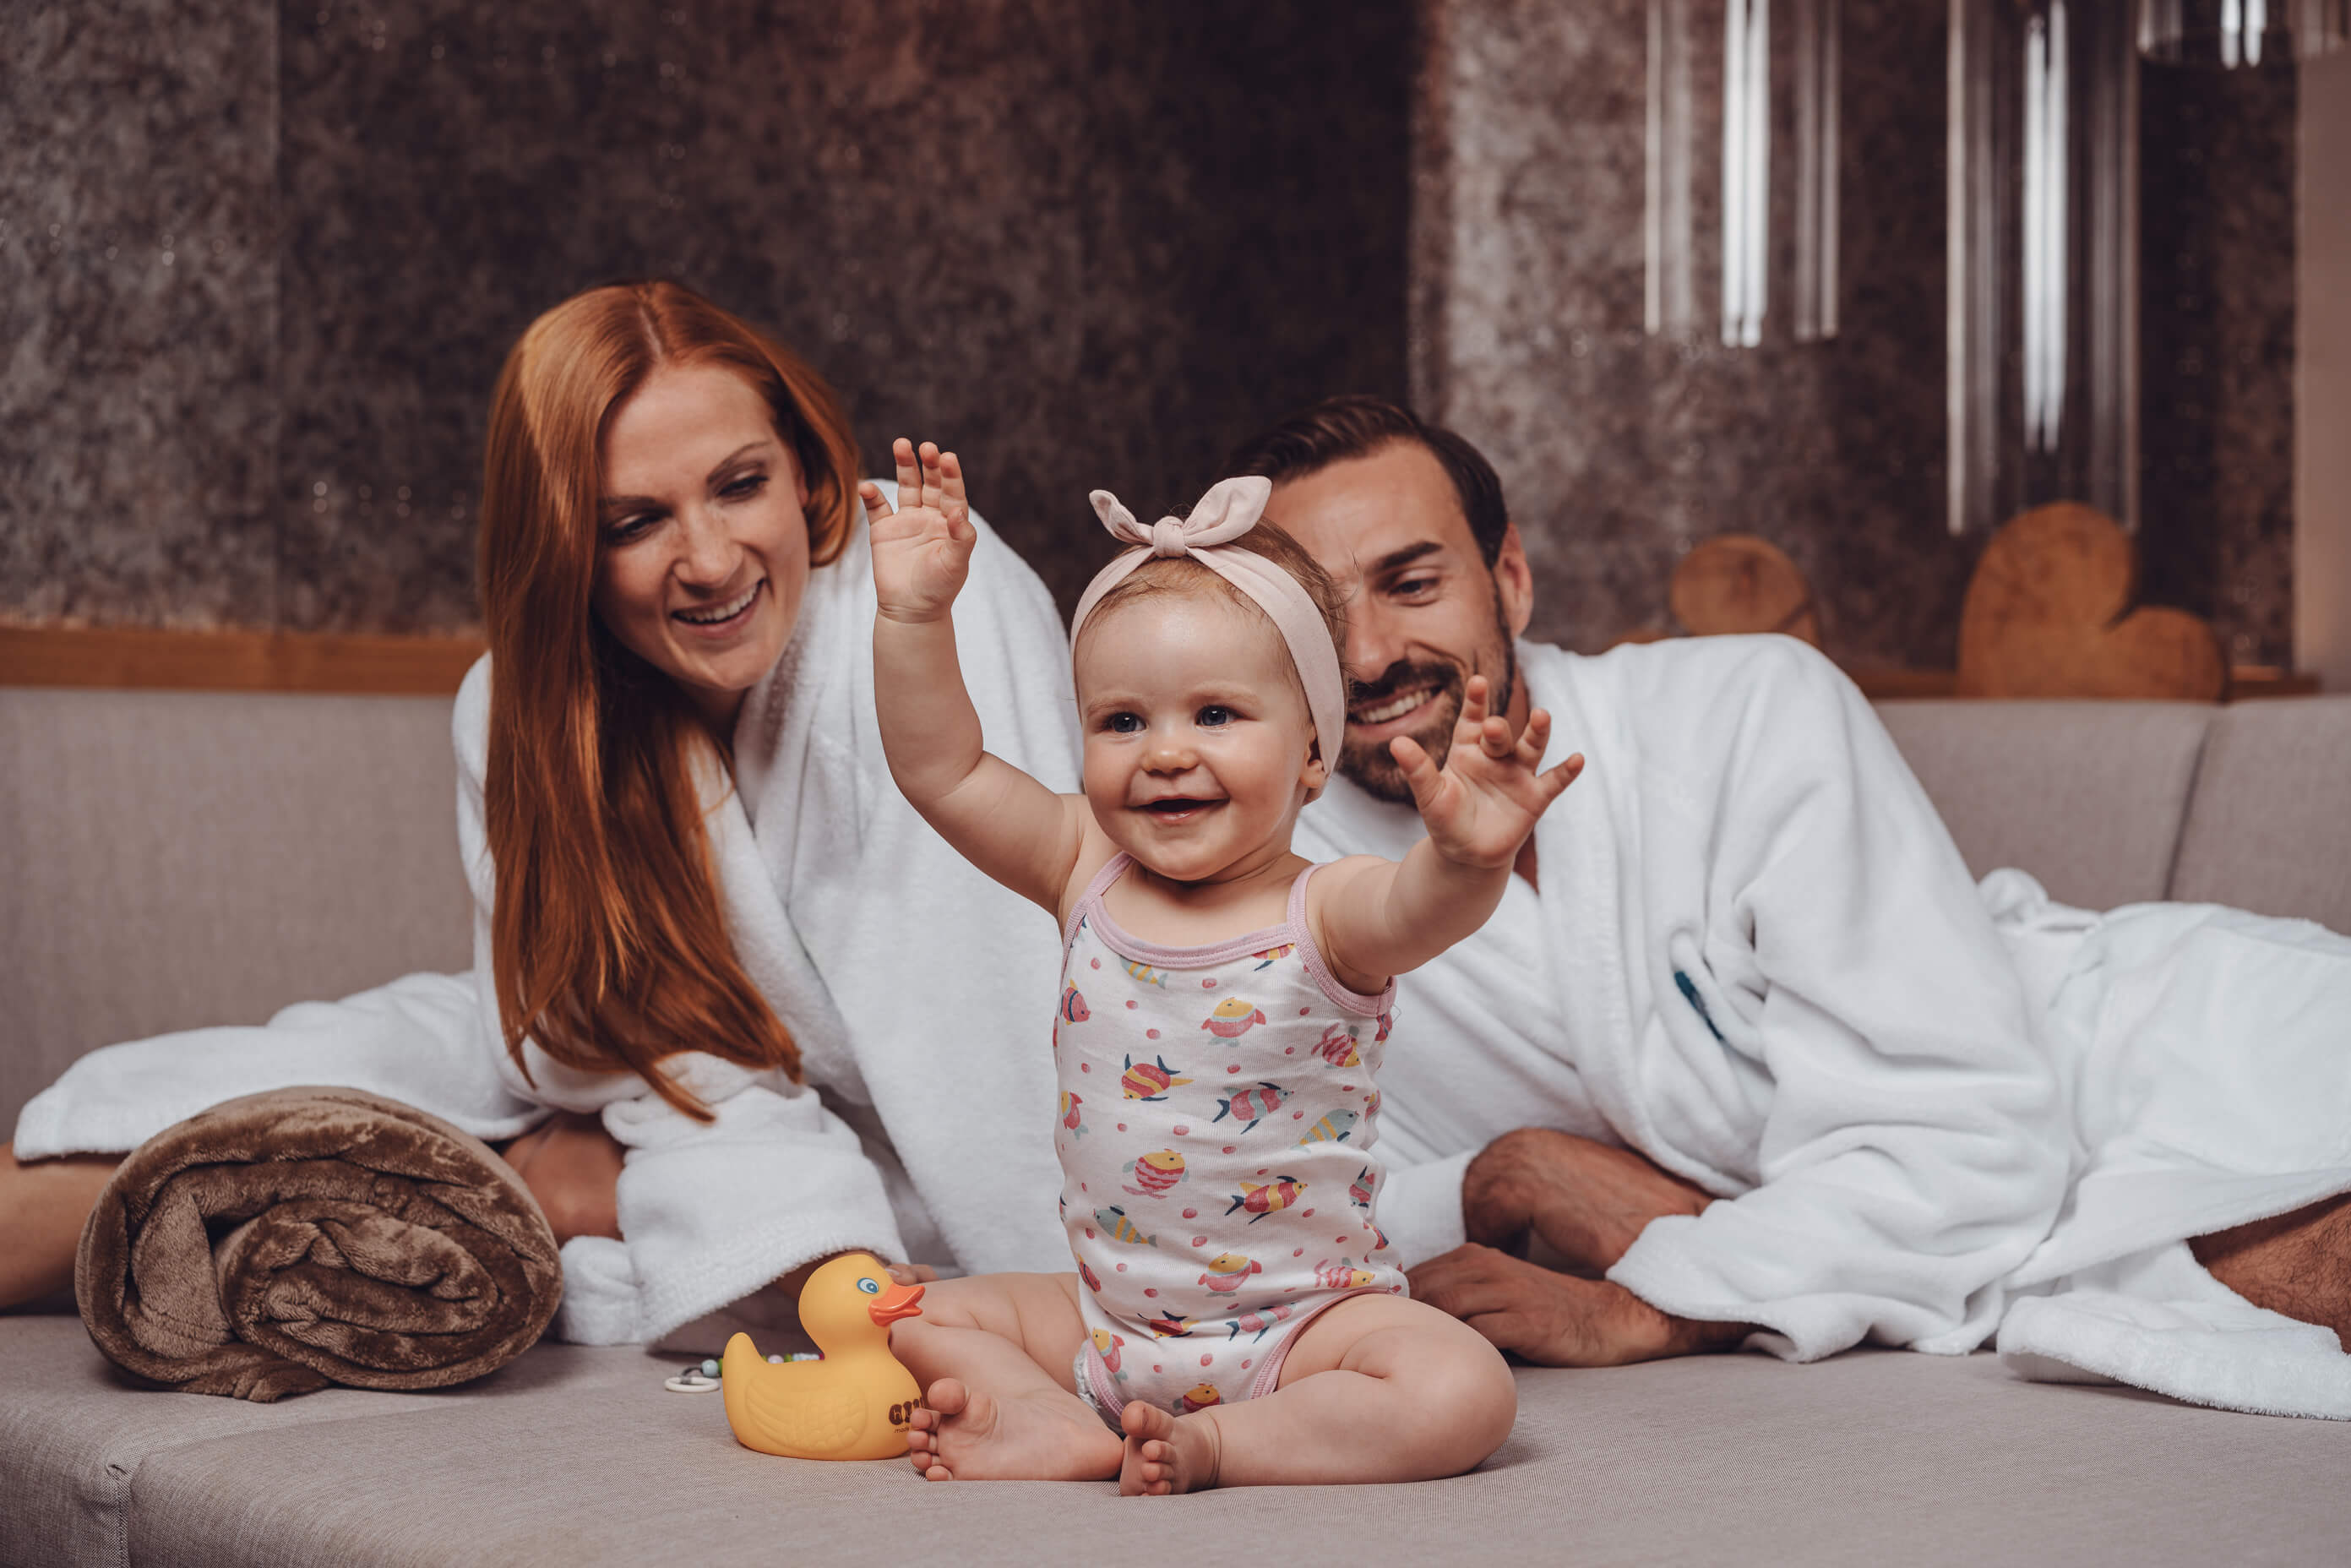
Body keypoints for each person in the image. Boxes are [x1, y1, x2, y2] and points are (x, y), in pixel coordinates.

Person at [1226, 395, 2351, 1418]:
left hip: (2128, 1056)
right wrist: (1491, 1181)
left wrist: (1661, 1297)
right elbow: (1232, 1202)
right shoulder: (1276, 890)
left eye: (1411, 584)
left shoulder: (1744, 709)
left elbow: (1962, 1135)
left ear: (1507, 577)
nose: (1367, 654)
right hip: (1930, 1232)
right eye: (1318, 614)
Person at [0, 281, 1080, 1343]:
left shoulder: (924, 597)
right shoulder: (520, 708)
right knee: (284, 1087)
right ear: (567, 547)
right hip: (646, 1074)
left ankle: (507, 1186)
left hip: (883, 1138)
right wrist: (632, 1118)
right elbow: (593, 1028)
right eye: (635, 521)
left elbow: (996, 1038)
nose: (709, 561)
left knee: (406, 1163)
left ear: (803, 470)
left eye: (739, 484)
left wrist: (768, 1216)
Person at [861, 445, 1570, 1491]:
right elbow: (942, 767)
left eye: (1214, 714)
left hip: (1304, 1327)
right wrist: (915, 616)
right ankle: (1053, 1420)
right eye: (1121, 720)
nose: (1163, 751)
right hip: (1103, 1318)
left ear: (1312, 754)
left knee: (1461, 1388)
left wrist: (1469, 857)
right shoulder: (1080, 863)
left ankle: (1225, 1443)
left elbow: (1420, 907)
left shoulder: (1324, 908)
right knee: (908, 1310)